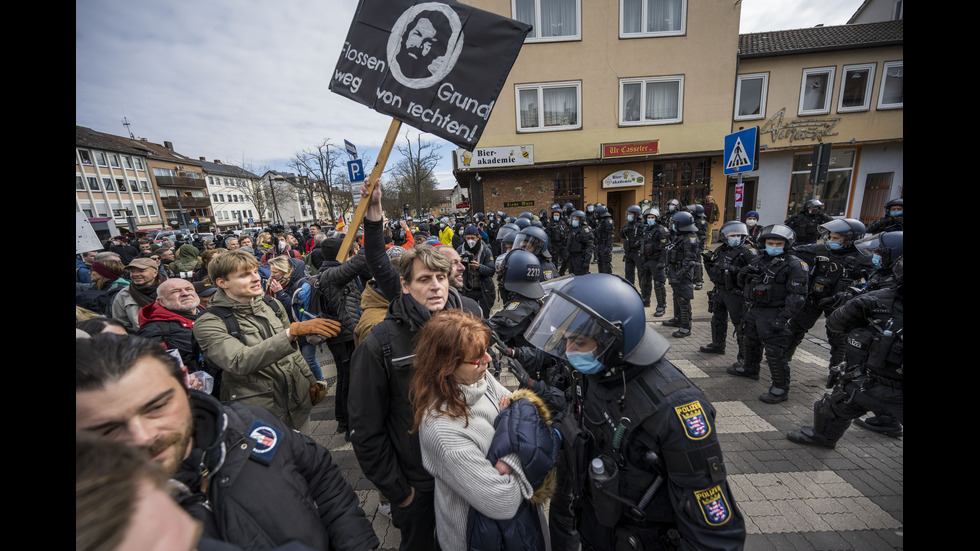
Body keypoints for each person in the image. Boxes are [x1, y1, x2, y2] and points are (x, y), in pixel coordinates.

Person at [75, 334, 379, 551]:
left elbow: (321, 474)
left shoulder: (250, 424)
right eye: (107, 428)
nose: (142, 437)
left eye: (156, 407)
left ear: (184, 381)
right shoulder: (97, 523)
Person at [523, 273, 746, 550]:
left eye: (579, 342)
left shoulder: (676, 410)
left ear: (612, 342)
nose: (569, 351)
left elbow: (715, 535)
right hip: (598, 530)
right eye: (566, 340)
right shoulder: (598, 373)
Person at [349, 180, 481, 551]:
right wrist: (399, 492)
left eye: (441, 277)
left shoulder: (468, 314)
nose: (436, 286)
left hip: (470, 468)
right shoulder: (380, 344)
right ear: (404, 286)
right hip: (418, 483)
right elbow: (366, 429)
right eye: (425, 279)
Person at [412, 309, 560, 550]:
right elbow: (505, 501)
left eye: (485, 351)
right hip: (476, 539)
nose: (488, 360)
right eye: (477, 357)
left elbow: (527, 409)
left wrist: (506, 458)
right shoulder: (443, 432)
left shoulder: (477, 379)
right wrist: (516, 453)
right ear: (446, 367)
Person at [192, 250, 340, 433]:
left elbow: (293, 353)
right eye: (245, 275)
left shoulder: (272, 304)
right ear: (222, 283)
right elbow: (239, 361)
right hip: (259, 417)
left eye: (255, 271)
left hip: (297, 406)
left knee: (305, 457)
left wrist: (311, 381)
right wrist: (290, 333)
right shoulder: (209, 321)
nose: (256, 278)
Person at [787, 254, 903, 448]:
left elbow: (836, 323)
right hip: (869, 381)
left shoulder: (875, 299)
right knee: (833, 408)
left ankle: (824, 438)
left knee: (832, 409)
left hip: (870, 382)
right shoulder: (875, 297)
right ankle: (885, 421)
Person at [733, 224, 809, 403]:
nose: (773, 246)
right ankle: (751, 369)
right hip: (754, 308)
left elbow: (797, 296)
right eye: (770, 242)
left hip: (775, 311)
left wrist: (784, 317)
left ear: (786, 244)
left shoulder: (795, 265)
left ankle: (780, 388)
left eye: (778, 243)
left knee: (775, 351)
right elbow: (743, 284)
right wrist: (743, 274)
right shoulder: (759, 259)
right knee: (749, 340)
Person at [784, 219, 874, 369]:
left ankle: (836, 371)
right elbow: (793, 251)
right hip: (813, 298)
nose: (831, 241)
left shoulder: (862, 258)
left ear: (852, 238)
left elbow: (873, 281)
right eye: (830, 237)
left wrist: (854, 290)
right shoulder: (820, 250)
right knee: (794, 328)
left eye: (836, 238)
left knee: (838, 338)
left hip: (839, 304)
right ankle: (783, 357)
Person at [700, 221, 758, 365]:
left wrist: (733, 269)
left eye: (738, 235)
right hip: (720, 290)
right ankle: (718, 345)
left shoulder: (747, 251)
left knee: (741, 326)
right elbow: (714, 275)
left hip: (736, 294)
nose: (736, 238)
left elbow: (756, 272)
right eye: (733, 235)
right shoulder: (720, 250)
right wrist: (708, 264)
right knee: (718, 319)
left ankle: (744, 359)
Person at [662, 211, 700, 338]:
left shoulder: (691, 238)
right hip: (675, 271)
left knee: (684, 299)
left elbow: (690, 261)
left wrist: (679, 274)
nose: (672, 225)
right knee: (677, 296)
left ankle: (685, 326)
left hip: (683, 273)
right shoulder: (679, 236)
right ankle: (677, 318)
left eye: (675, 223)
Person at [112, 258, 166, 331]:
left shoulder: (170, 290)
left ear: (155, 273)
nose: (136, 274)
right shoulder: (124, 294)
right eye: (132, 271)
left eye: (142, 271)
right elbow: (121, 323)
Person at [458, 224, 496, 316]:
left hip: (484, 289)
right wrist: (458, 262)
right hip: (468, 289)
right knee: (469, 316)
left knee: (484, 316)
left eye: (473, 238)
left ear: (478, 237)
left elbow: (491, 270)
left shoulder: (485, 250)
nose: (470, 240)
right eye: (467, 238)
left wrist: (479, 267)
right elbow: (453, 269)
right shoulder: (460, 249)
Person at [638, 207, 669, 315]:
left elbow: (665, 248)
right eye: (648, 217)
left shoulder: (661, 230)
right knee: (645, 282)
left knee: (658, 284)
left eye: (652, 217)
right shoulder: (646, 229)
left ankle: (661, 306)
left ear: (656, 218)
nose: (650, 219)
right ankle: (646, 300)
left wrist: (662, 261)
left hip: (657, 261)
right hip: (646, 260)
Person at [621, 204, 643, 287]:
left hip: (638, 252)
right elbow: (621, 235)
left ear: (636, 214)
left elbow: (644, 237)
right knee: (628, 272)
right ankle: (630, 288)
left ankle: (643, 291)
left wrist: (639, 242)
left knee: (641, 272)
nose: (629, 215)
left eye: (631, 214)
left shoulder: (642, 224)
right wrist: (624, 231)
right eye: (628, 213)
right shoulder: (628, 224)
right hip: (628, 252)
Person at [566, 209, 594, 276]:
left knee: (580, 276)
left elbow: (589, 248)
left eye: (576, 219)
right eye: (573, 219)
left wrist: (586, 262)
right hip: (572, 257)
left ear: (581, 220)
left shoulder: (585, 230)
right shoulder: (572, 229)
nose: (573, 221)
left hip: (580, 258)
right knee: (572, 276)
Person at [594, 205, 615, 274]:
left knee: (606, 264)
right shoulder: (601, 221)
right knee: (600, 263)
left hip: (605, 245)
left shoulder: (608, 221)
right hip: (600, 245)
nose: (596, 214)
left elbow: (610, 235)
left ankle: (608, 279)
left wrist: (608, 247)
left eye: (597, 213)